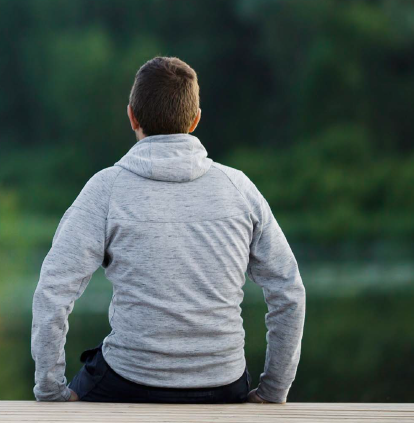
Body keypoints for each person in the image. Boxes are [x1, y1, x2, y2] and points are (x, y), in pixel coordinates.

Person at [30, 56, 306, 404]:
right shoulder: (239, 188)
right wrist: (273, 391)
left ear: (131, 115)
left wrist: (50, 391)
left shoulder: (106, 189)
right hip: (224, 385)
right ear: (195, 120)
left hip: (127, 381)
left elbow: (53, 291)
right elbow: (289, 292)